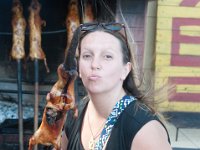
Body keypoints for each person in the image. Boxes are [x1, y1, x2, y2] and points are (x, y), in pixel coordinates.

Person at [61, 22, 172, 150]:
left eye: (107, 56)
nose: (95, 64)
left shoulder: (145, 130)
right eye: (87, 56)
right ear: (79, 68)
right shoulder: (75, 114)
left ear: (125, 70)